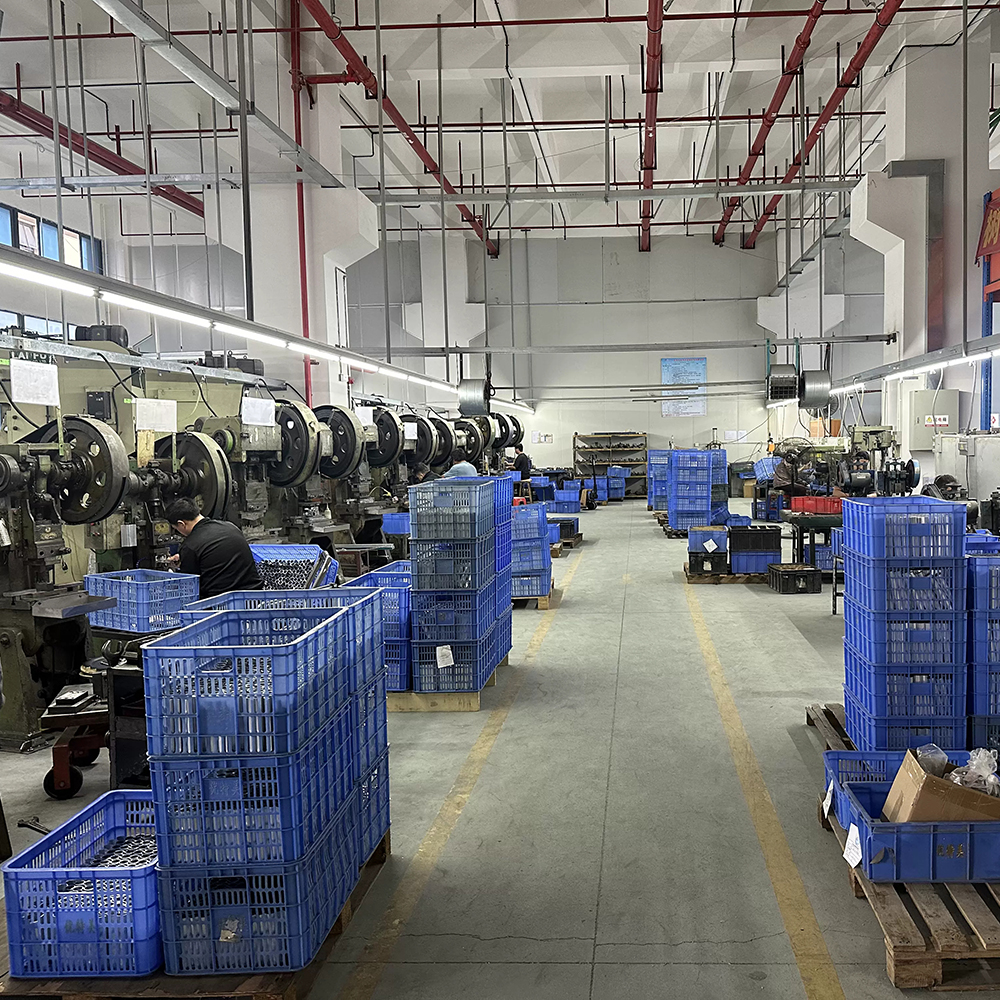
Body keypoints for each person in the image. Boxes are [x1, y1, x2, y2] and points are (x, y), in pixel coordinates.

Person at [164, 497, 263, 599]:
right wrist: (186, 557)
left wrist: (186, 557)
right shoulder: (231, 527)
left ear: (181, 524)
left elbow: (189, 587)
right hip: (254, 597)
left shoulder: (190, 545)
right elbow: (217, 554)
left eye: (176, 529)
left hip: (219, 603)